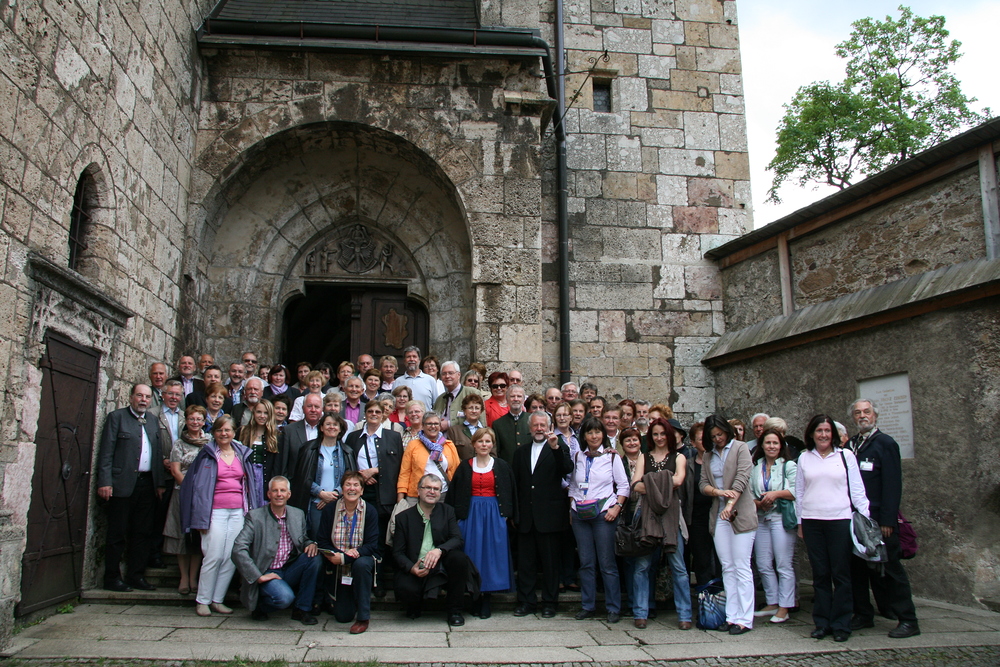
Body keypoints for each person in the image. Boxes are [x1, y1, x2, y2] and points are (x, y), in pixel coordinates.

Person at [848, 399, 920, 638]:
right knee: (857, 569)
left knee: (891, 569)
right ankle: (863, 614)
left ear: (875, 415)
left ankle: (908, 619)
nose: (862, 416)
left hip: (880, 519)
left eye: (866, 412)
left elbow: (892, 484)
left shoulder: (885, 443)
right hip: (856, 519)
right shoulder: (851, 445)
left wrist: (888, 520)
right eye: (858, 413)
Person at [796, 414, 870, 643]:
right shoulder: (804, 458)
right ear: (811, 434)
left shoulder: (845, 456)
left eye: (827, 431)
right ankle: (822, 622)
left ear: (834, 434)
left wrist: (865, 518)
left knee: (841, 574)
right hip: (812, 521)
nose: (824, 435)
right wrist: (800, 522)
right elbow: (799, 492)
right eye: (819, 430)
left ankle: (841, 624)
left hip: (839, 520)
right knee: (820, 574)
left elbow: (857, 489)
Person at [180, 415, 262, 615]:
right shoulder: (207, 454)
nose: (224, 434)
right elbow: (194, 486)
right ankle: (203, 600)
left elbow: (251, 483)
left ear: (234, 432)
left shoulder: (242, 453)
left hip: (238, 511)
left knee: (231, 556)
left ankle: (217, 599)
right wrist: (197, 516)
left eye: (227, 430)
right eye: (219, 430)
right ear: (214, 432)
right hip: (214, 510)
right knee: (213, 555)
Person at [96, 383, 167, 592]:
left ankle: (136, 575)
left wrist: (159, 483)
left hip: (147, 484)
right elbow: (106, 452)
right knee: (117, 533)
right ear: (131, 397)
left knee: (142, 532)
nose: (143, 400)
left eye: (147, 397)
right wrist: (105, 481)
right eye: (139, 395)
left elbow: (157, 454)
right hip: (122, 484)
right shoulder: (116, 418)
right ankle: (112, 578)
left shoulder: (152, 421)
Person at [232, 476, 321, 625]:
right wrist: (257, 576)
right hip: (266, 571)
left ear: (289, 494)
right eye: (275, 491)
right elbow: (238, 548)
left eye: (282, 490)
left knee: (314, 558)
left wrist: (310, 543)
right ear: (269, 494)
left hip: (289, 568)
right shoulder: (255, 516)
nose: (279, 494)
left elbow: (303, 539)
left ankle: (302, 609)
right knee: (285, 598)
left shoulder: (298, 514)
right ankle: (260, 606)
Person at [629, 418, 691, 629]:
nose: (659, 438)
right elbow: (635, 485)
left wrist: (650, 481)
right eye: (655, 434)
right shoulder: (644, 457)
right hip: (647, 514)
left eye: (663, 433)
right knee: (642, 565)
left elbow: (679, 480)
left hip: (672, 515)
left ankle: (685, 615)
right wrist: (664, 482)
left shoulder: (679, 457)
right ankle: (640, 612)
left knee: (678, 565)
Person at [447, 428, 515, 618]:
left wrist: (507, 514)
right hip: (471, 515)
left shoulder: (501, 465)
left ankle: (486, 598)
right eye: (480, 441)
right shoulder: (465, 466)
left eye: (487, 441)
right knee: (472, 554)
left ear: (492, 444)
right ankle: (473, 596)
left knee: (491, 556)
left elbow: (510, 491)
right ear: (474, 444)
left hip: (494, 515)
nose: (484, 445)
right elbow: (455, 493)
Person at [568, 415, 630, 623]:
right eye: (590, 432)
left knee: (606, 562)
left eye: (597, 432)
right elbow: (573, 485)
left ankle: (613, 607)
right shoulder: (578, 456)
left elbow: (623, 486)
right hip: (580, 513)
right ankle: (588, 605)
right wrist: (571, 506)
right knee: (586, 562)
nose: (594, 436)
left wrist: (617, 507)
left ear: (603, 435)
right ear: (584, 436)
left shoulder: (611, 457)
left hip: (604, 513)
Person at [699, 415, 757, 635]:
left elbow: (742, 478)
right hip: (719, 514)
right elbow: (703, 484)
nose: (718, 439)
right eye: (713, 436)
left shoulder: (741, 448)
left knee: (742, 565)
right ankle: (732, 615)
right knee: (727, 567)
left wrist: (730, 503)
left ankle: (745, 618)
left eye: (720, 434)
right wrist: (718, 492)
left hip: (740, 513)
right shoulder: (709, 455)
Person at [393, 474, 473, 626]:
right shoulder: (403, 517)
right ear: (418, 490)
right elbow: (397, 552)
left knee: (459, 559)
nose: (432, 492)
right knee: (406, 590)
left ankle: (455, 611)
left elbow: (457, 539)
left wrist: (439, 550)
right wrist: (411, 568)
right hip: (416, 565)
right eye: (428, 488)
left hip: (441, 565)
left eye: (436, 489)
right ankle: (415, 605)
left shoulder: (448, 511)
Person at [345, 400, 404, 593]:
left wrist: (375, 470)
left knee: (381, 538)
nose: (374, 414)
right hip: (361, 492)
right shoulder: (353, 437)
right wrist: (361, 475)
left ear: (383, 414)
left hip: (384, 493)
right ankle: (363, 579)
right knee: (362, 536)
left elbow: (398, 465)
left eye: (377, 412)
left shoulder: (393, 436)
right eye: (370, 411)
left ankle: (380, 581)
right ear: (365, 413)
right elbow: (348, 463)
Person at [316, 470, 380, 633]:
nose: (352, 488)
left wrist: (346, 557)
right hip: (338, 566)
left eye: (356, 485)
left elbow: (372, 544)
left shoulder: (370, 511)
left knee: (361, 564)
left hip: (360, 560)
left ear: (362, 490)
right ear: (342, 489)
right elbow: (322, 540)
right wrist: (334, 555)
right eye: (348, 485)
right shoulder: (331, 510)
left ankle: (363, 618)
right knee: (343, 616)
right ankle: (350, 601)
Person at [750, 428, 797, 624]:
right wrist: (758, 503)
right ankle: (772, 601)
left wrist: (775, 494)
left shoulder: (789, 465)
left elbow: (796, 490)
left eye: (775, 443)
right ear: (762, 445)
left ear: (781, 446)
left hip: (780, 517)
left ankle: (785, 606)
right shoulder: (755, 467)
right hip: (762, 517)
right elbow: (749, 493)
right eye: (768, 443)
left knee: (783, 564)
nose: (771, 446)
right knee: (763, 563)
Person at [163, 405, 208, 595]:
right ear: (186, 421)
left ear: (204, 422)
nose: (195, 422)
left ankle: (193, 577)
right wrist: (191, 489)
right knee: (182, 535)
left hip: (204, 495)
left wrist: (200, 491)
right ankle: (183, 577)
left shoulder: (209, 441)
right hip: (182, 492)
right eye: (192, 419)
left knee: (197, 536)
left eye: (199, 419)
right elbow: (175, 470)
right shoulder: (179, 444)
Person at [290, 412, 355, 535]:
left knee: (337, 539)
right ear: (321, 428)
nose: (332, 427)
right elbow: (302, 476)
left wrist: (334, 494)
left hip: (339, 503)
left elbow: (350, 478)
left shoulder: (347, 451)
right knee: (317, 538)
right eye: (328, 424)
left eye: (335, 424)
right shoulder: (308, 449)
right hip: (316, 503)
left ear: (340, 429)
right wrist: (321, 493)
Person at [397, 411, 460, 503]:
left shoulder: (449, 445)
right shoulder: (413, 445)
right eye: (429, 423)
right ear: (422, 426)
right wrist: (400, 498)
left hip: (443, 495)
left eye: (436, 423)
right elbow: (404, 473)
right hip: (416, 495)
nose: (433, 426)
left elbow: (456, 471)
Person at [685, 421, 719, 586]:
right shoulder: (688, 464)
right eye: (700, 439)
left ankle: (724, 594)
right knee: (701, 559)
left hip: (718, 515)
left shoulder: (719, 462)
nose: (705, 442)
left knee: (721, 559)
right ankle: (705, 596)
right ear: (693, 443)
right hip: (697, 518)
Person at [239, 399, 281, 507]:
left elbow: (277, 465)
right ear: (253, 413)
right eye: (259, 412)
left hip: (264, 477)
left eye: (266, 413)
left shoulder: (276, 436)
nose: (262, 416)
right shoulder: (243, 432)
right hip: (246, 475)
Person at [278, 393, 323, 478]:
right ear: (303, 408)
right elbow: (282, 463)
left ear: (322, 410)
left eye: (317, 407)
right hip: (296, 483)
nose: (313, 410)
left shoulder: (327, 431)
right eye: (309, 406)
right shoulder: (289, 431)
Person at [433, 360, 477, 430]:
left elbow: (480, 422)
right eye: (444, 374)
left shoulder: (472, 393)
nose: (447, 376)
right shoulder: (439, 399)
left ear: (458, 375)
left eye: (450, 373)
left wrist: (449, 424)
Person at [493, 384, 530, 465]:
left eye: (519, 396)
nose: (516, 399)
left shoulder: (532, 420)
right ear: (507, 399)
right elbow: (497, 451)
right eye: (512, 396)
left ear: (523, 399)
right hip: (507, 467)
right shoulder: (498, 424)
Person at [446, 392, 486, 460]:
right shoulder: (454, 431)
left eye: (477, 408)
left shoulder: (487, 431)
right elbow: (451, 454)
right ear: (464, 410)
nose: (474, 411)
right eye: (470, 408)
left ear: (481, 411)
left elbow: (493, 455)